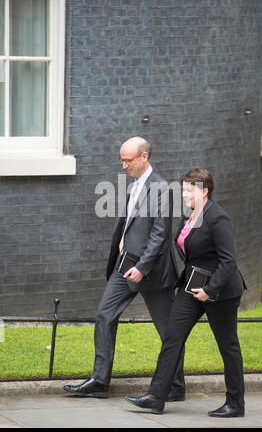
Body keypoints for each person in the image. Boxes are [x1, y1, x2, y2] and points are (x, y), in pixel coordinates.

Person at [64, 137, 185, 400]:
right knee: (105, 316)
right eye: (122, 160)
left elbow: (160, 234)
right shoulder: (133, 185)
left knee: (168, 331)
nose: (124, 165)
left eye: (128, 160)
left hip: (152, 271)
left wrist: (142, 267)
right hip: (124, 264)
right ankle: (99, 381)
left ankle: (175, 387)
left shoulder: (162, 188)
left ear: (144, 157)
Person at [124, 168, 246, 417]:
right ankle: (156, 398)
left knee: (228, 346)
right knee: (172, 337)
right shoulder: (191, 216)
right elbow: (191, 255)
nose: (184, 195)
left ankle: (235, 404)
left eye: (189, 190)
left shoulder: (217, 217)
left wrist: (210, 290)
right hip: (191, 286)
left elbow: (228, 261)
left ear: (205, 191)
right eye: (183, 190)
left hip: (219, 291)